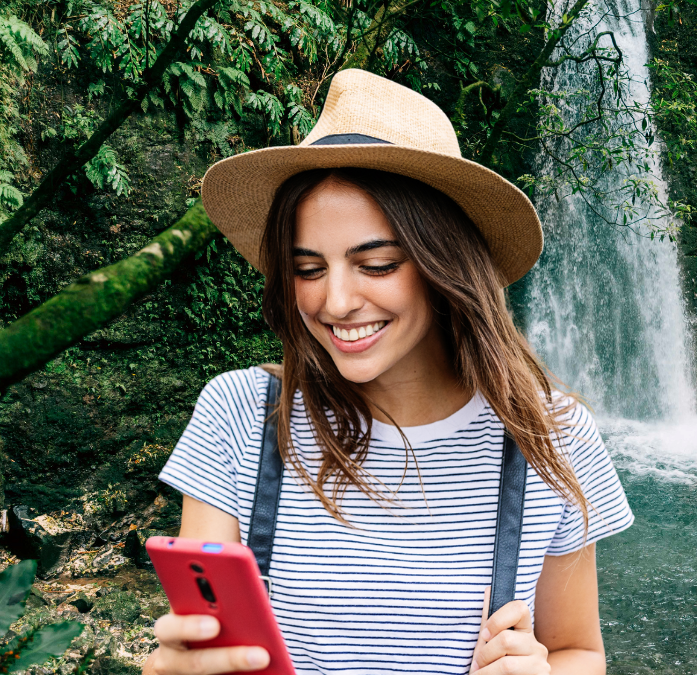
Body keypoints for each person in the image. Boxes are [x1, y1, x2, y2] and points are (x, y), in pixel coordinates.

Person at [143, 69, 634, 675]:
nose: (337, 301)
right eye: (309, 268)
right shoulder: (240, 416)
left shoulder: (551, 434)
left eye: (374, 264)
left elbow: (578, 653)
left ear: (442, 261)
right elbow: (202, 645)